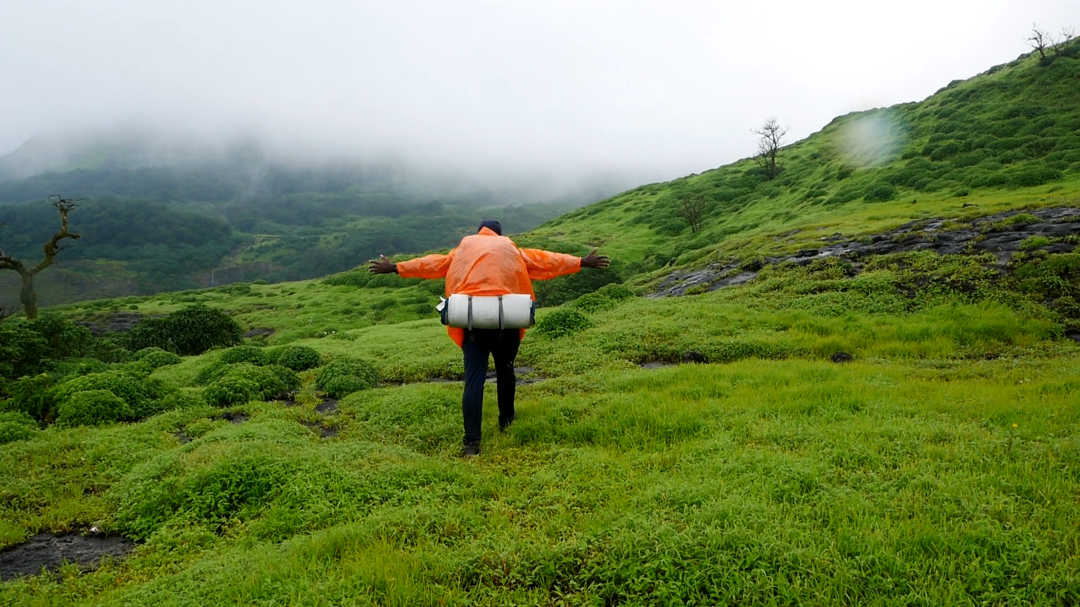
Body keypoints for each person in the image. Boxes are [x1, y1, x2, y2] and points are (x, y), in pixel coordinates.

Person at [368, 220, 610, 458]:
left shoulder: (463, 248)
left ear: (479, 233)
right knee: (506, 371)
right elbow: (546, 260)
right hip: (508, 319)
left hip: (473, 320)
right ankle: (507, 420)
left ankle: (471, 442)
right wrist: (581, 262)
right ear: (499, 234)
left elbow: (432, 264)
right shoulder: (511, 248)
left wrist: (395, 267)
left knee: (474, 381)